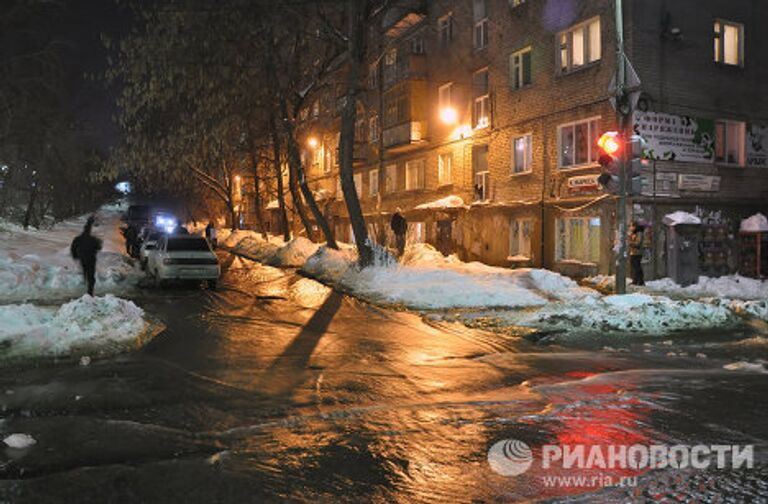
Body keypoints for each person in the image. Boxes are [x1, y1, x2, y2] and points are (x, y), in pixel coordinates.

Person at [70, 216, 103, 296]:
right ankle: (90, 290)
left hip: (82, 258)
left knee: (85, 269)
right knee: (91, 274)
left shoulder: (78, 239)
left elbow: (73, 248)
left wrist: (75, 256)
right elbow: (99, 247)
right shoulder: (93, 239)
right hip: (91, 258)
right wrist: (99, 243)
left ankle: (85, 281)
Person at [629, 222, 646, 286]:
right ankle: (635, 280)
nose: (631, 228)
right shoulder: (634, 233)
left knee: (637, 267)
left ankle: (640, 281)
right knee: (635, 267)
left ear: (635, 227)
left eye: (632, 226)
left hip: (637, 253)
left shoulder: (639, 233)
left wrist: (630, 242)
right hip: (634, 252)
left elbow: (637, 243)